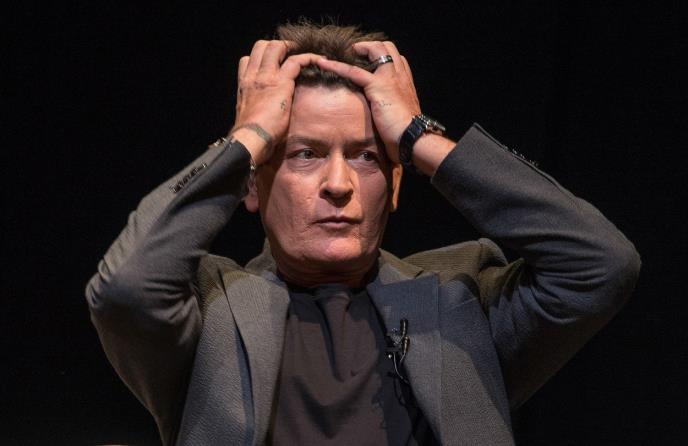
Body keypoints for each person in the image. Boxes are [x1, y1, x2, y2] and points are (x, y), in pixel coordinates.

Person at [85, 21, 640, 446]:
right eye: (304, 154)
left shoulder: (462, 298)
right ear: (250, 185)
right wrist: (247, 136)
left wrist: (419, 136)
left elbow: (601, 265)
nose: (338, 184)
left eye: (366, 156)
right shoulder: (209, 309)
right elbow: (125, 289)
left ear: (396, 184)